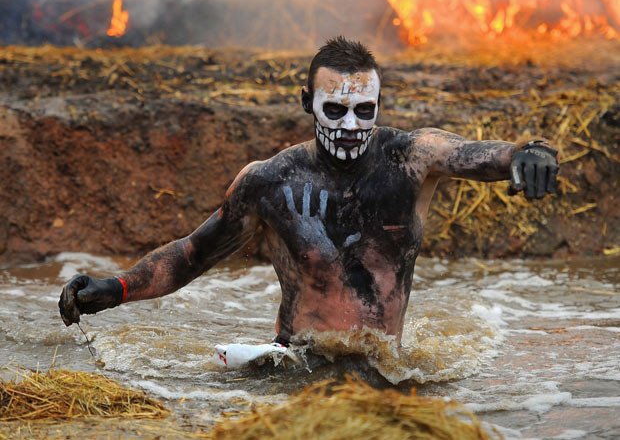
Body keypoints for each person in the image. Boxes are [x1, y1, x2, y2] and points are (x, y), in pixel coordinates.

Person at [59, 36, 559, 348]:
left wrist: (529, 152)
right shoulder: (270, 181)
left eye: (364, 110)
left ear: (379, 104)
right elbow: (191, 257)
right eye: (333, 111)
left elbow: (482, 154)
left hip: (385, 371)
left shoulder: (411, 159)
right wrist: (116, 289)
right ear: (307, 103)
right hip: (297, 368)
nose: (349, 125)